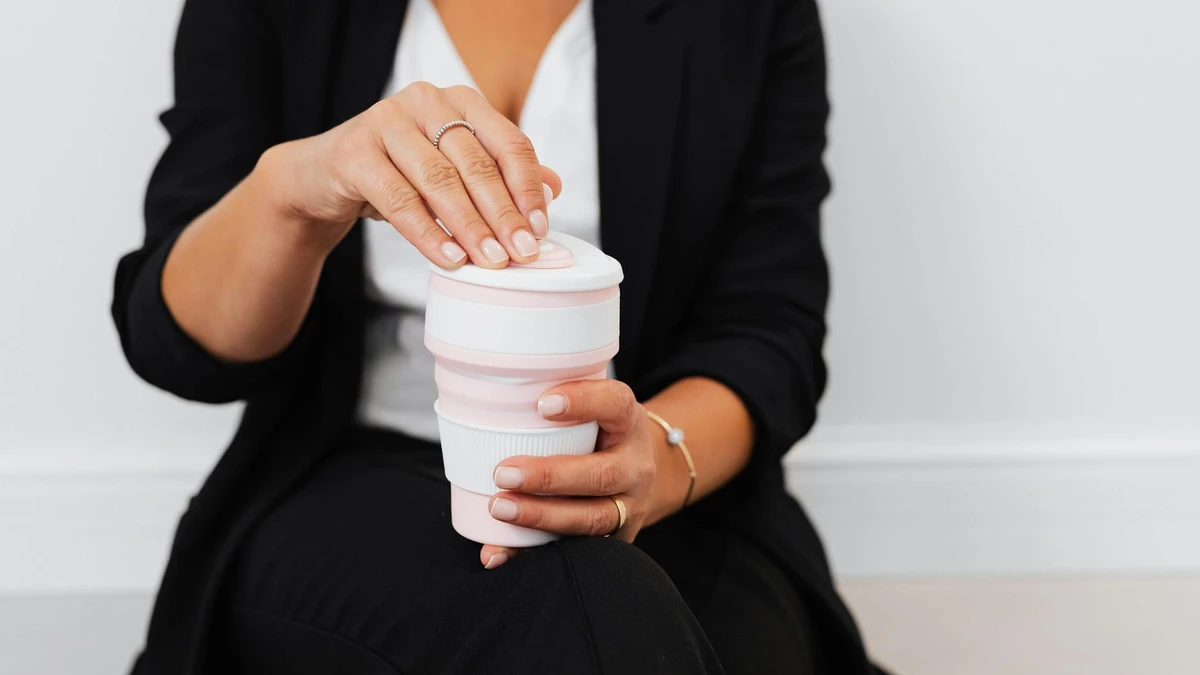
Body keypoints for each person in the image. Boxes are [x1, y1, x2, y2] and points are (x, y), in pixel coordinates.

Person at [112, 0, 884, 673]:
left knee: (642, 618)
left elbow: (767, 329)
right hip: (343, 469)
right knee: (585, 606)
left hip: (671, 475)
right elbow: (176, 345)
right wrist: (294, 196)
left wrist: (652, 455)